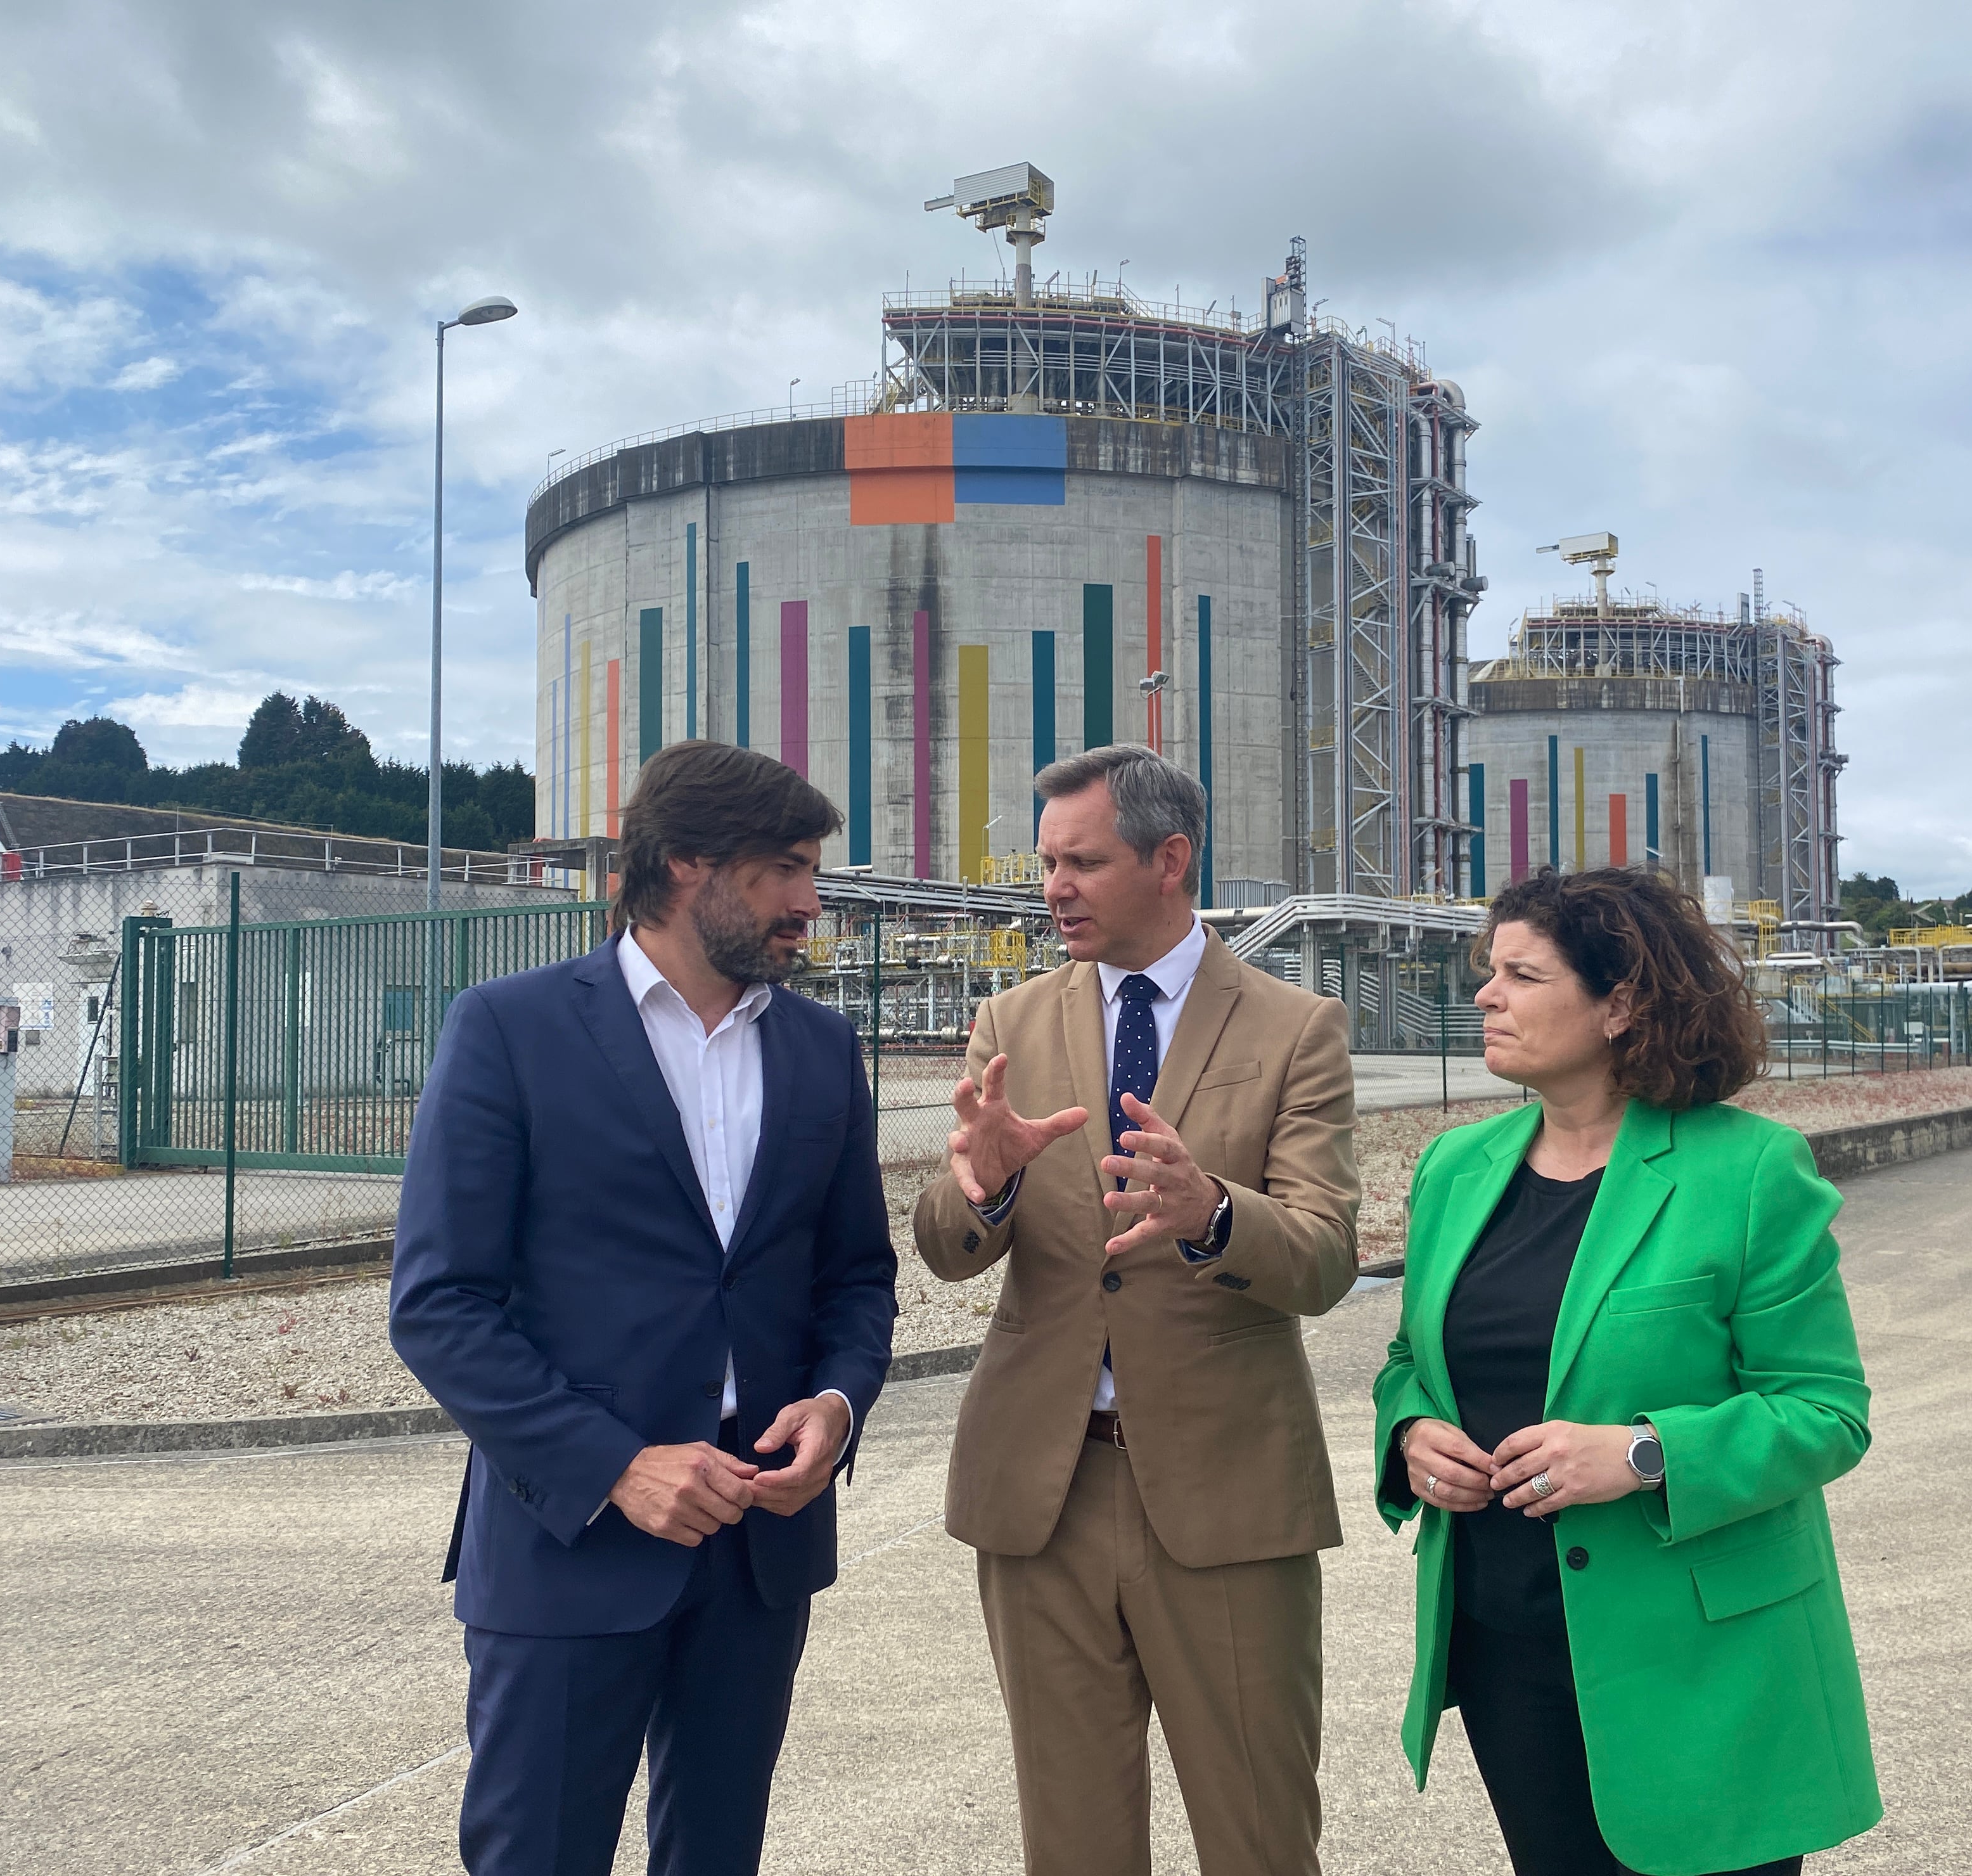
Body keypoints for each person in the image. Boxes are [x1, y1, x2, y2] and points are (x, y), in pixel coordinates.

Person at [390, 741, 897, 1876]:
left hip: (761, 1543)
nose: (810, 904)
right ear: (682, 865)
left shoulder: (820, 1048)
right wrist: (617, 1465)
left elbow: (857, 1278)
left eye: (812, 873)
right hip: (573, 1541)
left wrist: (837, 1402)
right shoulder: (510, 1030)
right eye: (782, 871)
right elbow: (439, 1305)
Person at [1373, 866, 1880, 1876]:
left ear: (1621, 1002)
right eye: (1488, 971)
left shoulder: (1748, 1172)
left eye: (1520, 973)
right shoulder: (1454, 1169)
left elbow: (1828, 1411)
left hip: (1698, 1656)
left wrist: (1647, 1453)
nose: (1485, 994)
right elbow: (1407, 1364)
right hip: (1507, 1639)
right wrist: (1412, 1436)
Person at [914, 744, 1361, 1876]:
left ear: (1171, 860)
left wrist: (1213, 1212)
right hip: (1043, 1495)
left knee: (1258, 1834)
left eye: (1082, 862)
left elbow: (1323, 1260)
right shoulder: (1009, 1020)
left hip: (1226, 1497)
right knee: (1073, 1843)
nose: (1051, 886)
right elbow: (947, 1250)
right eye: (1046, 861)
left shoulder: (1295, 1029)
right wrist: (985, 1186)